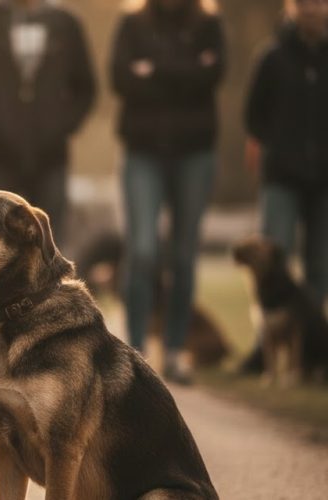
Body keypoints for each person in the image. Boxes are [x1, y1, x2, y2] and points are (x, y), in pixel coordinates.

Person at [110, 0, 225, 384]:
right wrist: (188, 71)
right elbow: (121, 80)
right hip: (142, 152)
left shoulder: (210, 24)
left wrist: (153, 71)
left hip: (195, 154)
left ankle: (175, 350)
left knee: (184, 255)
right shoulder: (131, 24)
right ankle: (135, 352)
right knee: (142, 250)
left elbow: (214, 75)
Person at [0, 0, 96, 244]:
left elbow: (86, 88)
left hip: (51, 156)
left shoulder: (66, 23)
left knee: (48, 240)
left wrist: (60, 127)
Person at [240, 0, 328, 374]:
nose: (311, 8)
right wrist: (277, 145)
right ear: (290, 7)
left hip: (325, 178)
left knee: (319, 267)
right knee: (272, 262)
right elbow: (252, 115)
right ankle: (267, 351)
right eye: (303, 2)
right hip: (282, 176)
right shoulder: (271, 58)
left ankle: (312, 354)